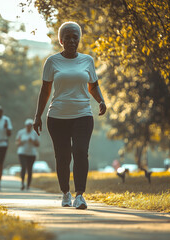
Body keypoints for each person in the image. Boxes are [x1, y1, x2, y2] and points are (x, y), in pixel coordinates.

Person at [33, 21, 107, 209]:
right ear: (61, 40)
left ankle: (80, 195)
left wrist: (101, 100)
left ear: (79, 39)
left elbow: (93, 85)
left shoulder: (87, 60)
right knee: (63, 156)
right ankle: (65, 193)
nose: (72, 40)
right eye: (68, 37)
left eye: (76, 37)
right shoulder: (52, 61)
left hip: (83, 115)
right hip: (57, 117)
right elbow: (45, 90)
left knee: (81, 152)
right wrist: (37, 116)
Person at [16, 118, 40, 190]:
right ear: (25, 126)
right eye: (27, 126)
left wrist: (32, 141)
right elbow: (17, 143)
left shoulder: (34, 133)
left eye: (30, 126)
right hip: (22, 152)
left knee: (29, 169)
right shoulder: (21, 132)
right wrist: (22, 142)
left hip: (32, 153)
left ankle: (28, 184)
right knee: (23, 167)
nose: (28, 127)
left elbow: (38, 144)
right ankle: (22, 182)